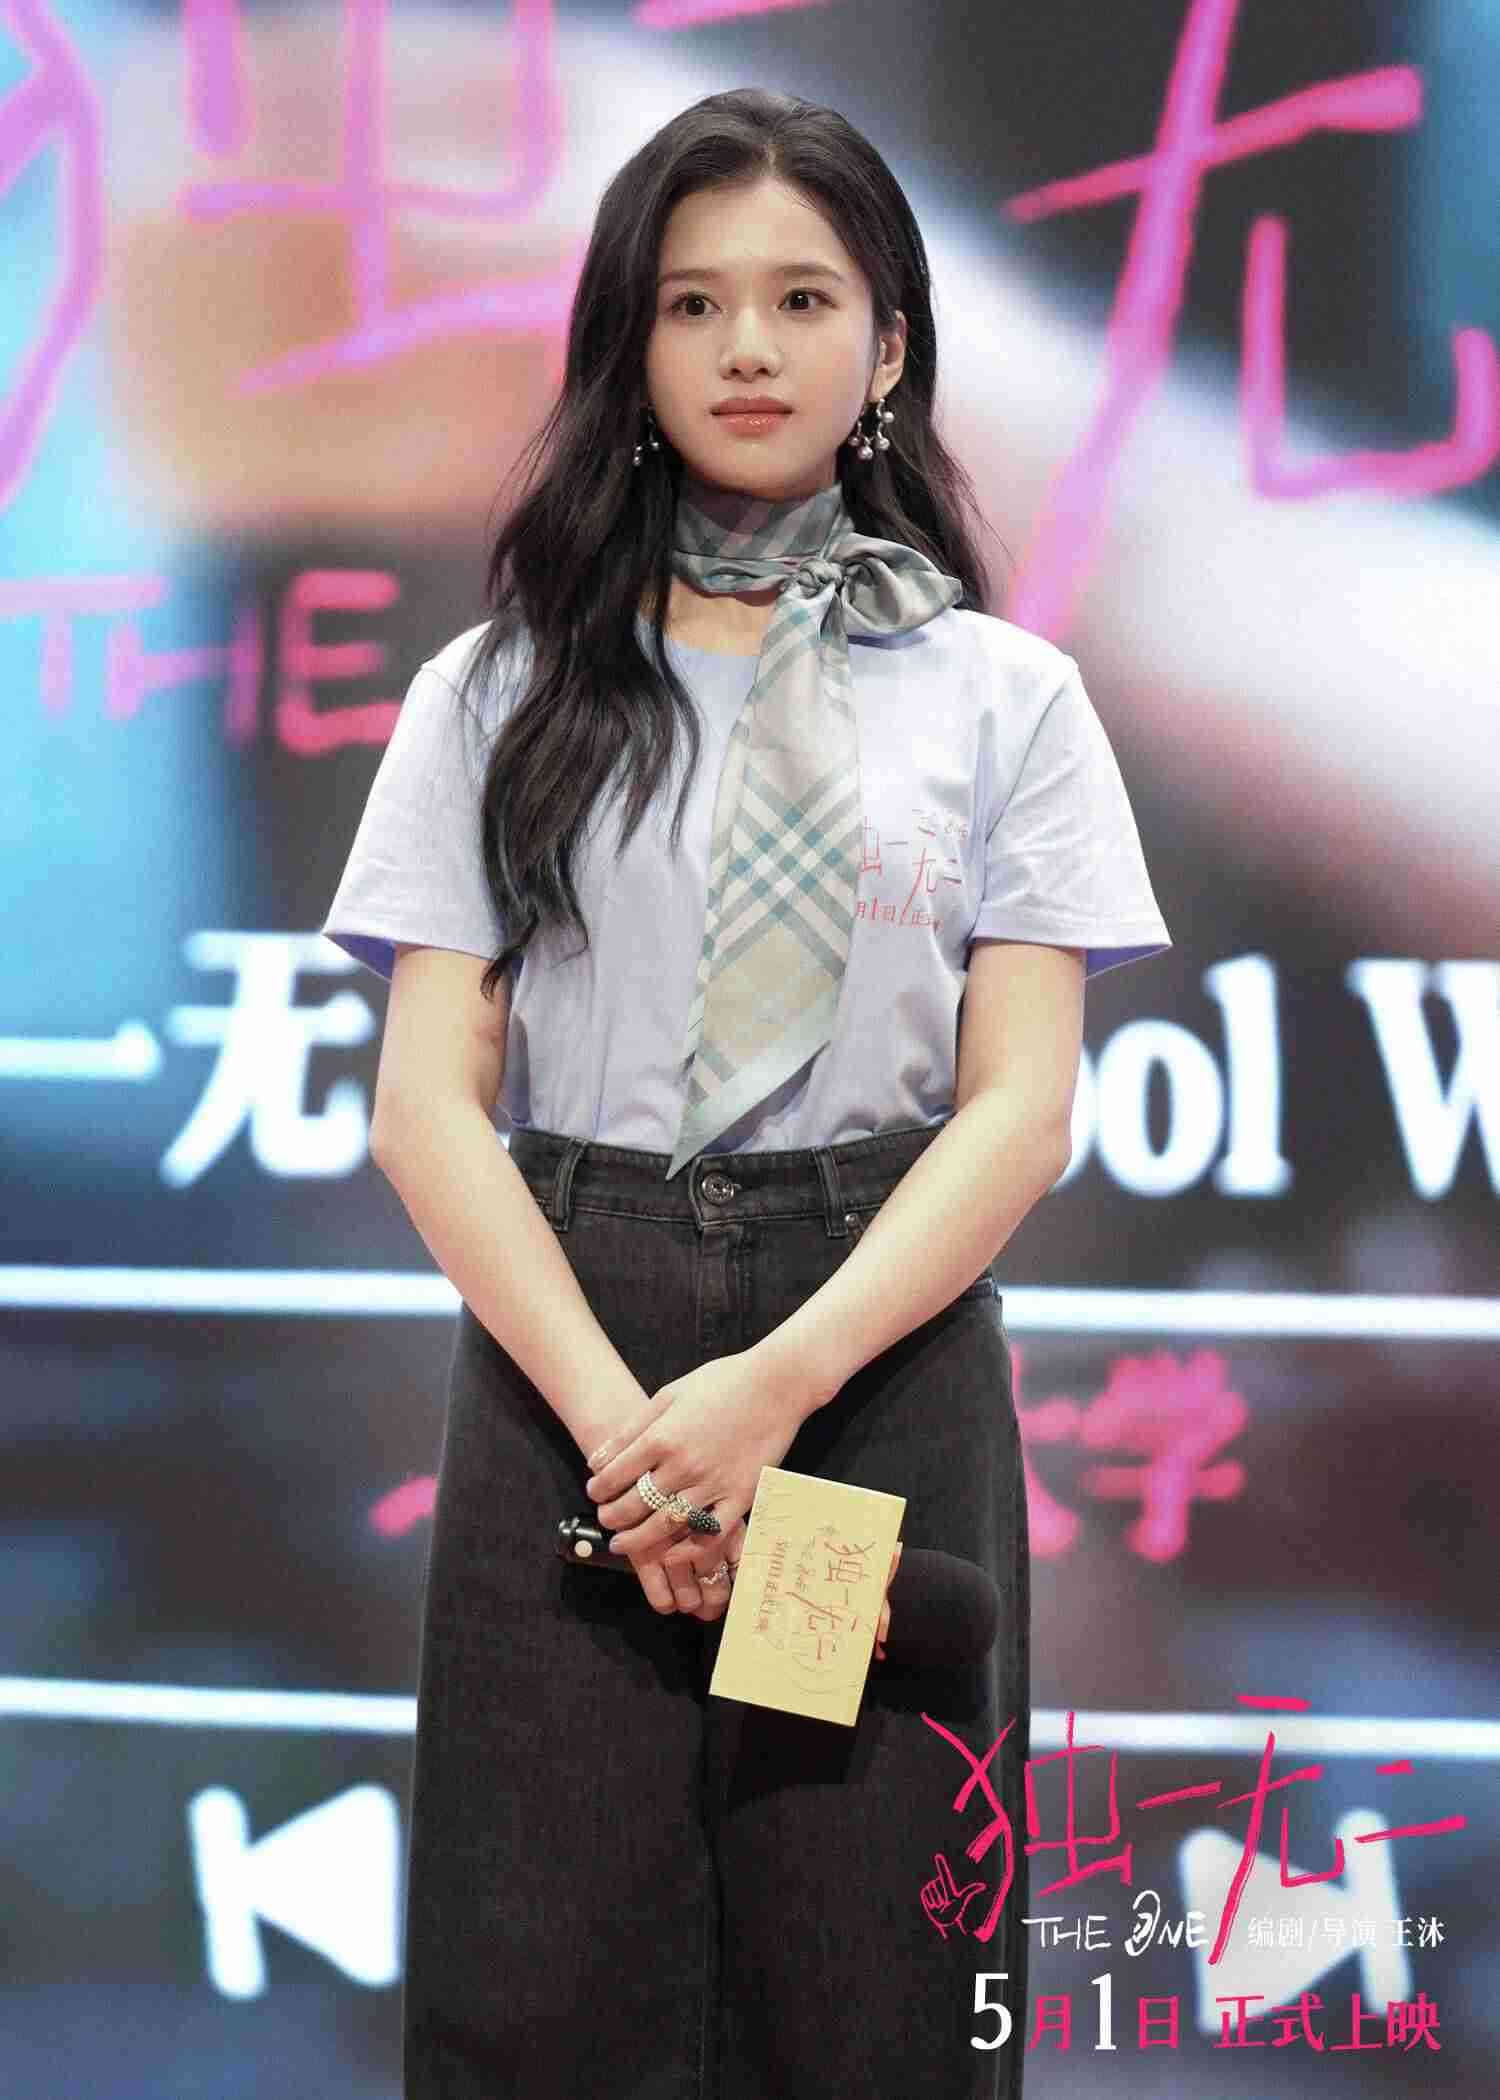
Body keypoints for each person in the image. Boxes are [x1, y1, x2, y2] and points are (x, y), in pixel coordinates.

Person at [322, 86, 1170, 2100]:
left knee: (857, 1983)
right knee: (550, 1996)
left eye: (803, 299)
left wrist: (768, 1397)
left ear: (888, 347)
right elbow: (425, 1105)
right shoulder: (499, 691)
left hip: (854, 1378)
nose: (748, 348)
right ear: (628, 348)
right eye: (692, 304)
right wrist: (641, 1445)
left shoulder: (1003, 699)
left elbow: (1020, 1108)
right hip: (579, 1381)